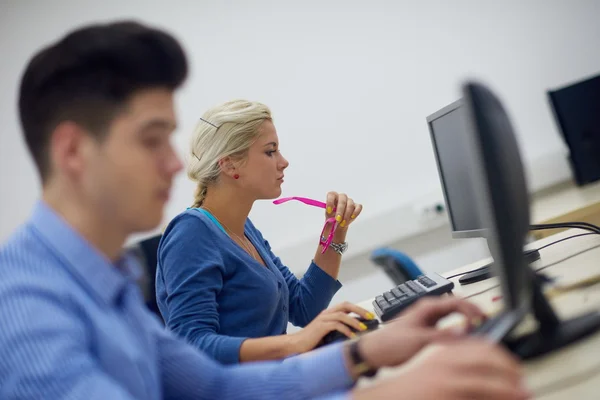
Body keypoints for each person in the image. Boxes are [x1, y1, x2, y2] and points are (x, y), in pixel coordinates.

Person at [0, 20, 530, 400]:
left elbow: (215, 385)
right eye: (151, 140)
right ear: (72, 152)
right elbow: (214, 348)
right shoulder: (25, 303)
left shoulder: (106, 279)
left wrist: (364, 353)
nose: (172, 164)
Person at [156, 99, 371, 364]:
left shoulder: (244, 229)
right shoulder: (191, 234)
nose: (284, 162)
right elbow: (193, 344)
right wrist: (292, 343)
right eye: (271, 152)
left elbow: (305, 308)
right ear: (230, 165)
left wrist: (335, 232)